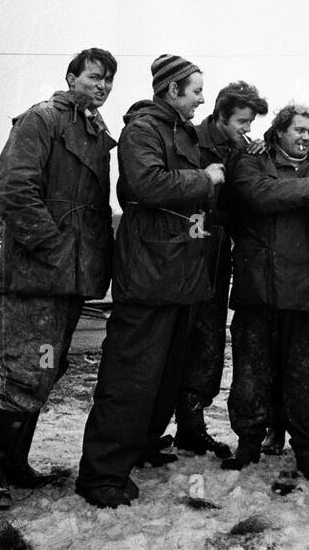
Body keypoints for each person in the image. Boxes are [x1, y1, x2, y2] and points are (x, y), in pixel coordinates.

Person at [0, 48, 118, 510]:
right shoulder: (41, 119)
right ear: (71, 77)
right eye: (94, 78)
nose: (102, 87)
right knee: (26, 369)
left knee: (44, 370)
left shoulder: (94, 130)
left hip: (68, 277)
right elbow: (12, 188)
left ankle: (15, 464)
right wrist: (53, 248)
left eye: (108, 81)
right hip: (39, 274)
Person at [76, 55, 223, 508]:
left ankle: (140, 445)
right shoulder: (143, 129)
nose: (202, 98)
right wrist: (204, 178)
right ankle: (101, 475)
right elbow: (146, 184)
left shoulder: (184, 131)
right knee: (130, 376)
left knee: (162, 374)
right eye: (196, 90)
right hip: (150, 272)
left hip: (180, 274)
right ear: (172, 90)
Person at [223, 104, 309, 479]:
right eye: (299, 129)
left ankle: (308, 452)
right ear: (280, 131)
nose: (306, 136)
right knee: (250, 373)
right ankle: (249, 443)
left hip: (304, 293)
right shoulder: (251, 160)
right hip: (257, 286)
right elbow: (258, 195)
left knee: (307, 377)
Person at [171, 80, 268, 458]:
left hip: (214, 258)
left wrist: (253, 157)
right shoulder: (189, 140)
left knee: (208, 346)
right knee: (177, 342)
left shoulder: (240, 147)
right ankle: (150, 432)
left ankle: (191, 428)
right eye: (242, 121)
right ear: (221, 114)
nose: (247, 128)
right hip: (183, 257)